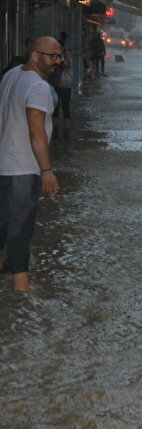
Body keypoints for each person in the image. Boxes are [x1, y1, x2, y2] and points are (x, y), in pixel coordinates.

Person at [0, 36, 63, 292]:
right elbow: (36, 131)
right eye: (53, 56)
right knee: (20, 234)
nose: (59, 61)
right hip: (23, 170)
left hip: (4, 166)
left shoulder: (12, 75)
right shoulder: (38, 87)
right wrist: (47, 171)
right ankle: (21, 296)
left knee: (3, 227)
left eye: (60, 56)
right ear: (36, 55)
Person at [50, 31, 73, 138]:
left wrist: (61, 57)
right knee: (56, 106)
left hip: (65, 84)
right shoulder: (55, 55)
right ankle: (55, 127)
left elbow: (67, 64)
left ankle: (67, 127)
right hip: (56, 84)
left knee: (65, 106)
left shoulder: (66, 55)